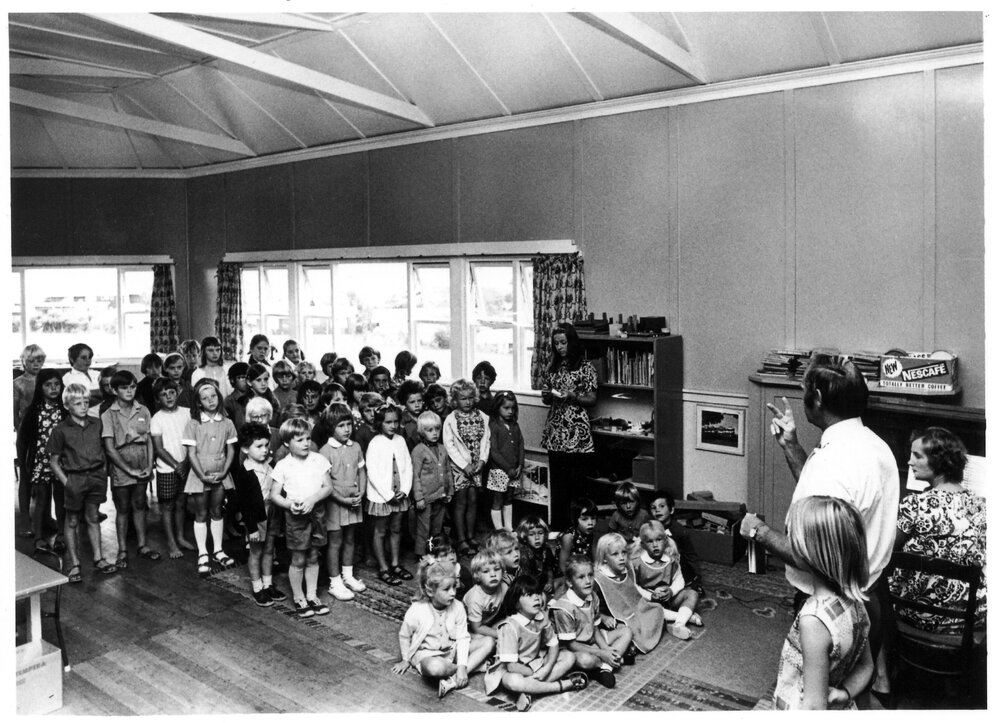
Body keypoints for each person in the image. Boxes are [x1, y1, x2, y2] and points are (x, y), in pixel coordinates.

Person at [739, 353, 897, 696]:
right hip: (866, 601)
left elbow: (806, 555)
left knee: (814, 696)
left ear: (819, 399)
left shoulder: (834, 463)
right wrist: (791, 446)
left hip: (828, 607)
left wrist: (757, 530)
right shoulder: (875, 447)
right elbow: (823, 509)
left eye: (806, 389)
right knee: (851, 692)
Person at [772, 496, 874, 710]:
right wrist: (845, 693)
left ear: (808, 552)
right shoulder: (857, 602)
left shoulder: (814, 620)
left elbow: (814, 708)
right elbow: (866, 667)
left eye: (792, 537)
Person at [889, 427, 986, 633]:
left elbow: (887, 552)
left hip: (918, 614)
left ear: (939, 460)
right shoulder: (981, 507)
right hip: (969, 619)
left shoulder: (914, 504)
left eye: (917, 456)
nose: (909, 462)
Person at [391, 560, 495, 699]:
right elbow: (404, 635)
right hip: (427, 654)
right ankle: (473, 667)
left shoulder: (457, 607)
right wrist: (405, 659)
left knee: (489, 642)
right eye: (446, 589)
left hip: (452, 650)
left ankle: (459, 674)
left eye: (454, 587)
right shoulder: (417, 610)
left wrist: (463, 666)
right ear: (430, 591)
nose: (453, 593)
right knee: (435, 668)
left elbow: (463, 638)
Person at [482, 575, 587, 711]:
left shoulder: (541, 616)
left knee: (569, 657)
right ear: (516, 603)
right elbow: (512, 666)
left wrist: (547, 667)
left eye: (537, 593)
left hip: (535, 662)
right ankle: (561, 685)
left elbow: (553, 644)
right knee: (513, 682)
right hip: (514, 668)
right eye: (530, 595)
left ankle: (530, 690)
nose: (537, 597)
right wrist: (536, 672)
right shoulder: (510, 626)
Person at [47, 383, 118, 581]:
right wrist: (67, 482)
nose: (84, 406)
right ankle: (75, 564)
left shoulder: (97, 424)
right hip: (74, 479)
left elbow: (104, 450)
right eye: (78, 403)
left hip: (96, 477)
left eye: (86, 402)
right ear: (67, 405)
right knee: (71, 520)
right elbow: (54, 462)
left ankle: (98, 558)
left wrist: (102, 472)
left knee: (93, 517)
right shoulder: (60, 430)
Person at [270, 417, 333, 618]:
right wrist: (290, 504)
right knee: (298, 558)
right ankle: (299, 597)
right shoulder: (282, 465)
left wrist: (313, 500)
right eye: (299, 440)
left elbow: (328, 487)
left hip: (317, 513)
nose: (306, 443)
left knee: (314, 555)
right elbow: (274, 495)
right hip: (295, 516)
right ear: (287, 443)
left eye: (307, 438)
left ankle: (312, 595)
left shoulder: (318, 460)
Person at [540, 323, 598, 529]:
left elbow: (592, 398)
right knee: (557, 485)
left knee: (577, 484)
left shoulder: (585, 367)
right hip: (556, 432)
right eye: (556, 343)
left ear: (571, 342)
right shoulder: (552, 366)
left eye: (563, 342)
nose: (559, 347)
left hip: (577, 432)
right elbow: (547, 400)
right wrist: (547, 396)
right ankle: (558, 527)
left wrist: (573, 396)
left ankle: (578, 528)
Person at [549, 553, 635, 689]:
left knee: (626, 632)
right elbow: (571, 645)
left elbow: (594, 629)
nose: (588, 581)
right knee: (585, 660)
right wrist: (602, 653)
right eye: (581, 577)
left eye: (590, 575)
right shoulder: (563, 608)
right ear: (570, 582)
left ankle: (606, 667)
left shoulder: (592, 596)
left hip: (592, 642)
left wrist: (606, 649)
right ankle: (609, 661)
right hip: (575, 649)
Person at [102, 370, 159, 567]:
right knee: (123, 508)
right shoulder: (108, 414)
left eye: (133, 387)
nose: (129, 391)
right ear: (114, 389)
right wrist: (128, 470)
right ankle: (122, 550)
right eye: (124, 388)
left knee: (140, 505)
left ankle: (143, 545)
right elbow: (109, 448)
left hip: (142, 462)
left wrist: (150, 464)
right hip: (121, 465)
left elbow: (150, 440)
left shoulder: (143, 410)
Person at [183, 379, 239, 576]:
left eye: (213, 396)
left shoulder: (227, 422)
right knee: (201, 512)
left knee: (217, 511)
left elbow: (231, 449)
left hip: (220, 473)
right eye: (205, 398)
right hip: (200, 474)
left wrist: (224, 471)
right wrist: (202, 476)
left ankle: (218, 550)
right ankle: (203, 553)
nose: (210, 400)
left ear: (219, 397)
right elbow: (191, 454)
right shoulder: (194, 424)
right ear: (199, 403)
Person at [317, 404, 368, 602]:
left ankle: (347, 575)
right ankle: (335, 581)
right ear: (331, 427)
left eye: (349, 424)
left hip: (354, 500)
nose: (347, 429)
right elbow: (325, 483)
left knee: (350, 539)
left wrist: (361, 492)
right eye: (341, 425)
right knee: (335, 542)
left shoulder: (355, 447)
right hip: (335, 502)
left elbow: (361, 471)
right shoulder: (325, 451)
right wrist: (342, 499)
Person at [231, 422, 281, 607]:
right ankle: (258, 587)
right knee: (256, 552)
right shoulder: (245, 472)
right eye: (258, 446)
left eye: (266, 445)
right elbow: (245, 505)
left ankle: (268, 584)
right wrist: (251, 528)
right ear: (245, 448)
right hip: (256, 517)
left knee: (270, 550)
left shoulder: (270, 464)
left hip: (272, 512)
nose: (264, 450)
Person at [592, 532, 664, 654]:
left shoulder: (626, 570)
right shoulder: (598, 579)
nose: (621, 558)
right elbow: (588, 607)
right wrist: (603, 617)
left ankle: (676, 620)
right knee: (629, 628)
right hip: (610, 617)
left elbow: (633, 593)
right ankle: (629, 647)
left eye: (624, 553)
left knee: (656, 609)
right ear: (604, 558)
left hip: (631, 610)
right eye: (615, 554)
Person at [17, 369, 65, 550]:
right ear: (40, 387)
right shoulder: (34, 411)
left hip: (61, 463)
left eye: (57, 384)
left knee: (61, 500)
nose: (53, 388)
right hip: (40, 463)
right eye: (48, 385)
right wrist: (25, 464)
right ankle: (38, 537)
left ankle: (61, 535)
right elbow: (24, 441)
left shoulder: (64, 410)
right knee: (42, 500)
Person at [366, 403, 414, 585]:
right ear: (379, 423)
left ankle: (395, 564)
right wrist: (387, 494)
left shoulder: (400, 440)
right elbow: (372, 472)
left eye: (395, 422)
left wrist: (405, 489)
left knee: (396, 528)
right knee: (380, 530)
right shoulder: (375, 443)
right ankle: (383, 567)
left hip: (400, 494)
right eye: (388, 422)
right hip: (382, 497)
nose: (393, 425)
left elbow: (407, 466)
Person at [443, 378, 490, 557]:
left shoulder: (482, 417)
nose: (468, 402)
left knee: (473, 501)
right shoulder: (450, 420)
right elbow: (449, 446)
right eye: (463, 399)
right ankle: (460, 539)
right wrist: (464, 465)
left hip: (477, 466)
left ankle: (470, 536)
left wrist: (482, 461)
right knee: (461, 502)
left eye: (470, 398)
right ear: (455, 400)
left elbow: (486, 442)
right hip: (459, 467)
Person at [632, 520, 702, 640]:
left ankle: (679, 624)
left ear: (665, 541)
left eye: (659, 540)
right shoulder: (637, 562)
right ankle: (683, 616)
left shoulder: (671, 559)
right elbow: (633, 585)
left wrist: (671, 591)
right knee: (642, 609)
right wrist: (650, 596)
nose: (655, 545)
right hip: (649, 600)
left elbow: (679, 579)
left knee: (692, 594)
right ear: (642, 544)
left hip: (668, 598)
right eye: (650, 541)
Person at [150, 377, 195, 558]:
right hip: (167, 469)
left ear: (177, 392)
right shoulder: (156, 419)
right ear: (157, 398)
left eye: (171, 392)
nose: (168, 397)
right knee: (167, 506)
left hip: (186, 465)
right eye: (163, 394)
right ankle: (170, 542)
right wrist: (176, 465)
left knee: (181, 503)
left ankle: (181, 537)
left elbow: (193, 438)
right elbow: (159, 448)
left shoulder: (187, 412)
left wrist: (186, 463)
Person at [411, 411, 452, 557]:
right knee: (423, 527)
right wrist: (419, 498)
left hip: (440, 495)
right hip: (425, 497)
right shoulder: (418, 451)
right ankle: (421, 553)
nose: (434, 433)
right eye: (429, 430)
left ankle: (433, 551)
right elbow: (414, 475)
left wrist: (450, 492)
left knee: (437, 526)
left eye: (437, 429)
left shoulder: (442, 448)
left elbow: (447, 471)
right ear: (422, 432)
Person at [650, 493, 704, 595]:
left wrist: (697, 576)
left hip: (676, 564)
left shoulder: (679, 531)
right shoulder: (651, 528)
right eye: (653, 508)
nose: (657, 510)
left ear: (671, 510)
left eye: (662, 506)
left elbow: (690, 554)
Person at [487, 390, 524, 532]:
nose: (510, 411)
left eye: (513, 408)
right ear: (497, 408)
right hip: (500, 471)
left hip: (514, 470)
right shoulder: (494, 426)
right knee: (498, 500)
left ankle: (508, 527)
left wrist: (520, 465)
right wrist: (508, 468)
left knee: (509, 498)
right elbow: (494, 451)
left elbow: (521, 445)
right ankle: (499, 528)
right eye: (506, 408)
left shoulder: (515, 425)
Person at [463, 549, 508, 639]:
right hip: (470, 629)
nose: (493, 574)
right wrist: (500, 634)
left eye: (496, 569)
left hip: (489, 624)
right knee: (490, 641)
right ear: (477, 576)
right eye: (486, 571)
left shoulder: (504, 587)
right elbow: (477, 628)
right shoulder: (475, 597)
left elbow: (511, 611)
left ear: (503, 572)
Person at [517, 515, 559, 595]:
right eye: (531, 534)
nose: (537, 538)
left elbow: (549, 568)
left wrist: (550, 581)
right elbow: (525, 579)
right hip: (528, 587)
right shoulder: (524, 554)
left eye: (540, 533)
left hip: (542, 584)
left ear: (545, 534)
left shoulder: (546, 550)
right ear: (525, 537)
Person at [558, 497, 598, 575]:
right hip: (568, 573)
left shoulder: (592, 535)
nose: (590, 523)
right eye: (584, 519)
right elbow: (562, 566)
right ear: (575, 520)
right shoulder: (569, 537)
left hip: (584, 570)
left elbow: (596, 561)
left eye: (593, 518)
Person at [609, 481, 651, 552]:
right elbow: (610, 534)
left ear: (637, 501)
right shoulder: (616, 515)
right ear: (618, 505)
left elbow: (649, 534)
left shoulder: (644, 515)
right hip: (621, 547)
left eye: (631, 502)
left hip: (639, 547)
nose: (628, 506)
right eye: (623, 503)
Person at [14, 343, 45, 429]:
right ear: (23, 361)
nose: (36, 364)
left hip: (47, 421)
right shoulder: (17, 383)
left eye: (39, 361)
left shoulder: (47, 380)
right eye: (31, 361)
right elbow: (14, 412)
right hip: (27, 424)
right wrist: (19, 430)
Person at [396, 379, 425, 451]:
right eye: (412, 402)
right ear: (404, 403)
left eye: (419, 401)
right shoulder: (403, 420)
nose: (417, 405)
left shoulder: (426, 415)